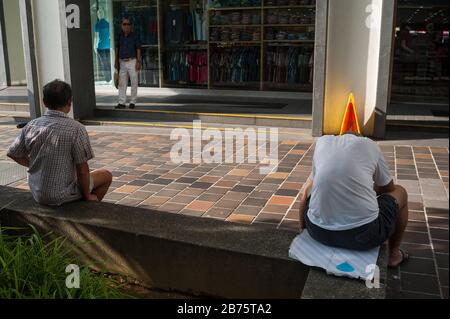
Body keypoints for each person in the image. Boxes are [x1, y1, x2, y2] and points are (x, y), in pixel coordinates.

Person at [298, 130, 409, 268]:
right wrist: (367, 189)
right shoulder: (371, 145)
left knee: (312, 188)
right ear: (361, 138)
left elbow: (304, 193)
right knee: (401, 192)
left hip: (316, 231)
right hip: (365, 236)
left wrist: (304, 230)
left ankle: (306, 236)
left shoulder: (322, 142)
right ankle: (393, 254)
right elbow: (388, 188)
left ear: (339, 137)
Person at [7, 80, 112, 206]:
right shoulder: (76, 129)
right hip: (60, 195)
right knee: (106, 176)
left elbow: (13, 153)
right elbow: (82, 171)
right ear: (70, 101)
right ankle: (87, 210)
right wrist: (88, 195)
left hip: (37, 192)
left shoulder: (31, 125)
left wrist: (33, 164)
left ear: (44, 102)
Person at [115, 17, 142, 109]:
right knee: (122, 83)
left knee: (134, 82)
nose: (126, 26)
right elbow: (117, 48)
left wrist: (138, 61)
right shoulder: (119, 36)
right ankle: (121, 102)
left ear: (130, 26)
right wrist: (116, 61)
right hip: (122, 62)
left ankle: (132, 102)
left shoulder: (134, 36)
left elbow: (138, 48)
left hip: (132, 61)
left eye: (128, 24)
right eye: (124, 24)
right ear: (121, 26)